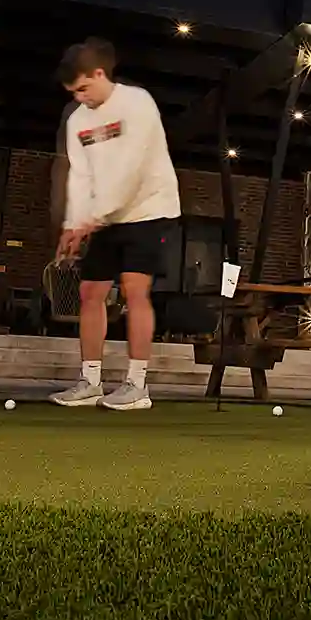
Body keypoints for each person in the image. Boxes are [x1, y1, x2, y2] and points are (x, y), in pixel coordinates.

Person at [48, 38, 180, 412]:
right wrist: (73, 223)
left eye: (83, 88)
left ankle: (137, 386)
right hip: (103, 218)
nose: (79, 98)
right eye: (73, 93)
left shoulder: (137, 104)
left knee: (134, 290)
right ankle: (90, 381)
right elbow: (81, 175)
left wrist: (92, 219)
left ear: (100, 74)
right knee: (90, 292)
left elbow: (132, 171)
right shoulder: (78, 121)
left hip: (148, 209)